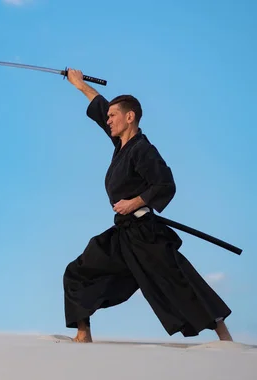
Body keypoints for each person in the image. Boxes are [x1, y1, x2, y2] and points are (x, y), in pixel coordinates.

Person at [63, 68, 233, 343]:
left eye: (113, 116)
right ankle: (83, 334)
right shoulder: (120, 144)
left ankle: (224, 337)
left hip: (145, 234)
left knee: (179, 281)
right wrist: (79, 84)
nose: (108, 120)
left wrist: (134, 202)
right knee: (78, 271)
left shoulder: (143, 150)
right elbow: (100, 106)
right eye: (107, 117)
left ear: (130, 117)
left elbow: (165, 185)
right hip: (123, 235)